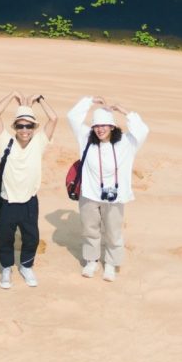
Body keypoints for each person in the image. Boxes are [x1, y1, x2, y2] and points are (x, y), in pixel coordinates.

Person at [66, 94, 150, 282]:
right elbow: (72, 116)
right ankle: (91, 260)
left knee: (113, 232)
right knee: (90, 230)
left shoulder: (127, 142)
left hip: (116, 196)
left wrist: (125, 112)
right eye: (96, 126)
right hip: (89, 194)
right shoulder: (86, 138)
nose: (100, 129)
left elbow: (143, 130)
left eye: (104, 125)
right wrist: (90, 101)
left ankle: (111, 264)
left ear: (112, 126)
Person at [0, 92, 58, 289]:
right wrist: (12, 95)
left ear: (34, 128)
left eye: (28, 126)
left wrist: (40, 99)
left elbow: (54, 118)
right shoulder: (5, 141)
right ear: (15, 128)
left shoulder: (38, 143)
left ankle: (26, 266)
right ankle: (7, 268)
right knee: (5, 237)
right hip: (7, 202)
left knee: (31, 237)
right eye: (20, 125)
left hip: (29, 202)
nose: (24, 130)